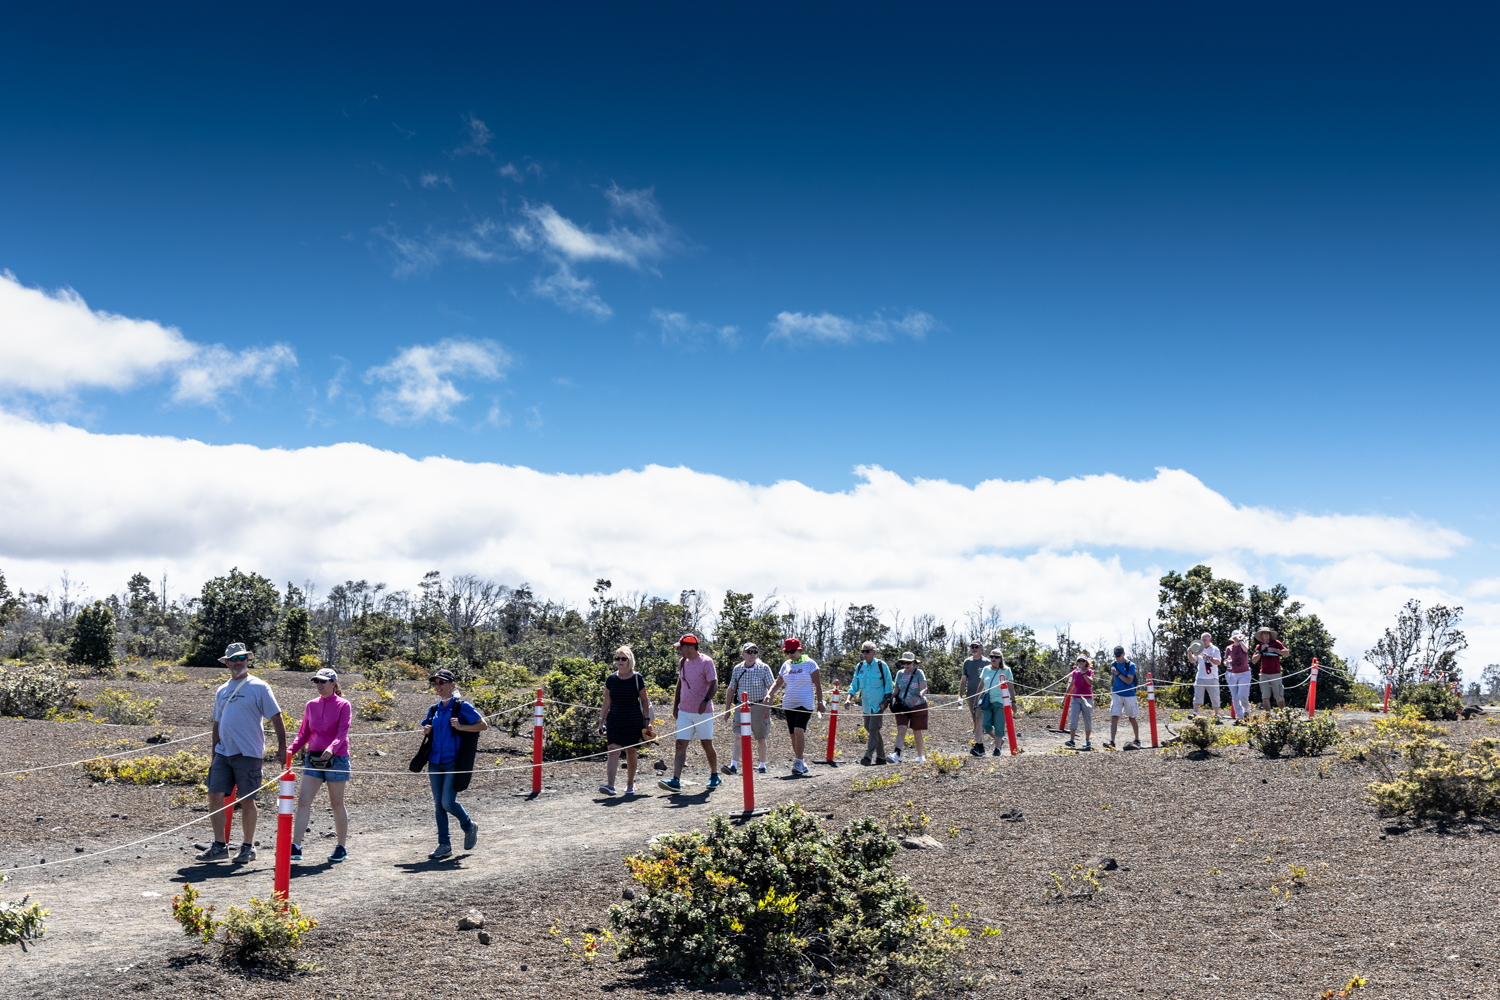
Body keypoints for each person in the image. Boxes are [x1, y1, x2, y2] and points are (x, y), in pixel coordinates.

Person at [196, 642, 287, 864]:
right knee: (214, 795)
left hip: (249, 752)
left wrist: (282, 747)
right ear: (226, 662)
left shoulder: (259, 687)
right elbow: (217, 723)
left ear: (248, 660)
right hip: (223, 753)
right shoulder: (222, 689)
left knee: (247, 799)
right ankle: (219, 846)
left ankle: (248, 847)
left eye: (242, 658)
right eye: (233, 659)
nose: (238, 662)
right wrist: (214, 753)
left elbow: (276, 717)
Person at [420, 668, 488, 859]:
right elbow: (428, 727)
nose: (437, 686)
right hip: (434, 761)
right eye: (435, 683)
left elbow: (483, 725)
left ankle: (468, 825)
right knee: (439, 806)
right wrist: (426, 730)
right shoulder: (434, 709)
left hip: (453, 762)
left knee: (447, 803)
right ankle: (444, 845)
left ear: (452, 684)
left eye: (441, 682)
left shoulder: (462, 706)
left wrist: (462, 726)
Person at [288, 667, 353, 863]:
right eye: (316, 681)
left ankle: (341, 846)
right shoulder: (311, 705)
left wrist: (332, 749)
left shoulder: (344, 704)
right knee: (303, 801)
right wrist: (289, 751)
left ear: (334, 683)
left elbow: (342, 733)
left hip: (337, 758)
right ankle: (296, 846)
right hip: (314, 758)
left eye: (323, 682)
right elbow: (304, 734)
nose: (319, 685)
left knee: (336, 803)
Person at [659, 634, 721, 793]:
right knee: (680, 744)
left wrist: (706, 700)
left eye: (681, 647)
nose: (679, 650)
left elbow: (714, 685)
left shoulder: (706, 662)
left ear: (691, 647)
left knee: (706, 744)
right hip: (684, 711)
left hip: (703, 712)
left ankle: (714, 775)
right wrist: (675, 706)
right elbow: (680, 684)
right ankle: (676, 780)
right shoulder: (682, 662)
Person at [763, 637, 826, 774]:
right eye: (787, 652)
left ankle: (797, 762)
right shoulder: (786, 665)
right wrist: (769, 694)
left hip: (805, 702)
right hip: (789, 703)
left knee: (799, 730)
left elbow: (818, 685)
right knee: (793, 734)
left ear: (799, 650)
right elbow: (779, 682)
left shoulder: (810, 664)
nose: (790, 654)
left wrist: (820, 702)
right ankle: (801, 762)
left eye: (792, 651)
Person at [598, 645, 652, 796]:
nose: (620, 661)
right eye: (617, 658)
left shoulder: (637, 678)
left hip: (633, 719)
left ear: (630, 660)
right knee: (613, 749)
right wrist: (601, 721)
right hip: (614, 719)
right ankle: (610, 785)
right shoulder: (611, 679)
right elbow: (606, 701)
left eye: (623, 658)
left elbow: (644, 700)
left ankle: (630, 784)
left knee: (631, 750)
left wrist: (647, 721)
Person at [722, 642, 774, 775]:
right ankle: (733, 766)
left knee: (760, 737)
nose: (752, 655)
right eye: (749, 652)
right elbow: (731, 688)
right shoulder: (737, 669)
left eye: (755, 652)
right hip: (741, 706)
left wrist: (767, 707)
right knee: (738, 735)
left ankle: (762, 766)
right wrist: (728, 708)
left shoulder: (764, 668)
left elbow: (771, 689)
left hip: (759, 705)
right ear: (743, 654)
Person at [846, 641, 894, 765]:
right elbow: (854, 684)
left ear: (874, 652)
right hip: (866, 704)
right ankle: (881, 757)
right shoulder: (860, 666)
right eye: (863, 651)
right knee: (869, 728)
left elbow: (888, 685)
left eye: (867, 651)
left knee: (873, 728)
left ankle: (868, 756)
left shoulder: (881, 665)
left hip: (878, 704)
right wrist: (849, 698)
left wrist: (886, 702)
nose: (864, 654)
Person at [891, 651, 929, 763]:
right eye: (904, 663)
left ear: (913, 662)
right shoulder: (899, 674)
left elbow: (924, 688)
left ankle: (920, 756)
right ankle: (896, 754)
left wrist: (918, 697)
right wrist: (889, 699)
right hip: (902, 706)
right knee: (901, 728)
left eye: (908, 663)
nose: (906, 665)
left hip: (918, 705)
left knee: (917, 731)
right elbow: (897, 689)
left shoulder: (919, 673)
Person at [977, 649, 1015, 756]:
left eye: (996, 657)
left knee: (999, 725)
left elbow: (1011, 687)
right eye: (991, 656)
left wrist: (1014, 702)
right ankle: (999, 739)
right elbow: (981, 685)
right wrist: (976, 700)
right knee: (985, 724)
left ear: (1000, 659)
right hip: (987, 702)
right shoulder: (986, 669)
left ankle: (997, 748)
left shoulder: (1006, 670)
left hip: (1001, 702)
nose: (993, 659)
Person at [1104, 646, 1140, 749]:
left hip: (1129, 694)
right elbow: (1113, 678)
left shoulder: (1130, 665)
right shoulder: (1113, 664)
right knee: (1114, 717)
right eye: (1116, 656)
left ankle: (1137, 740)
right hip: (1116, 694)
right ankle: (1112, 741)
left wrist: (1117, 673)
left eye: (1119, 656)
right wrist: (1113, 687)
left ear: (1123, 654)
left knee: (1132, 718)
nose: (1117, 658)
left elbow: (1129, 681)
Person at [961, 641, 989, 756]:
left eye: (976, 647)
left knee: (979, 720)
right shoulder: (967, 662)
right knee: (975, 721)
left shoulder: (987, 662)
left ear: (981, 649)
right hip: (971, 695)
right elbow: (963, 680)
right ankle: (981, 746)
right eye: (972, 647)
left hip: (983, 695)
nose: (974, 649)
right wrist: (960, 695)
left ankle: (978, 746)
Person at [1252, 626, 1288, 710]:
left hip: (1276, 673)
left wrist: (1274, 650)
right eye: (1264, 633)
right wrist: (1261, 652)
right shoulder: (1259, 646)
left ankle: (1283, 713)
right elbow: (1254, 661)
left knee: (1278, 696)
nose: (1266, 635)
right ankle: (1267, 717)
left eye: (1267, 633)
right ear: (1261, 635)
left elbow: (1287, 653)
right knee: (1265, 696)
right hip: (1264, 674)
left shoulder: (1276, 643)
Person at [1190, 631, 1223, 720]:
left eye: (1205, 639)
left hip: (1212, 677)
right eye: (1202, 639)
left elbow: (1218, 662)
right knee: (1197, 695)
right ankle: (1195, 713)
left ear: (1210, 640)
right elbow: (1192, 660)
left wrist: (1209, 657)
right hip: (1200, 676)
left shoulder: (1215, 649)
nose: (1203, 641)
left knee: (1215, 696)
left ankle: (1216, 714)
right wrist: (1189, 653)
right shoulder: (1198, 649)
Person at [1065, 655, 1095, 750]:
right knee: (1074, 718)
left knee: (1087, 719)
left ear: (1086, 662)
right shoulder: (1074, 673)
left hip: (1087, 699)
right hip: (1076, 698)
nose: (1081, 662)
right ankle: (1072, 740)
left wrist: (1083, 673)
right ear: (1077, 662)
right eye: (1079, 660)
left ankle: (1087, 740)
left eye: (1083, 661)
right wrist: (1065, 698)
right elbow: (1071, 686)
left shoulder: (1090, 672)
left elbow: (1090, 682)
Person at [1225, 631, 1253, 720]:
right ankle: (1240, 717)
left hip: (1244, 673)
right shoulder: (1229, 648)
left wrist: (1240, 641)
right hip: (1231, 673)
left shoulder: (1245, 644)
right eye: (1235, 637)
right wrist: (1226, 663)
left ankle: (1247, 711)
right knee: (1235, 696)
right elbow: (1225, 660)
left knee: (1242, 694)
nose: (1236, 639)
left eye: (1237, 637)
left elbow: (1246, 650)